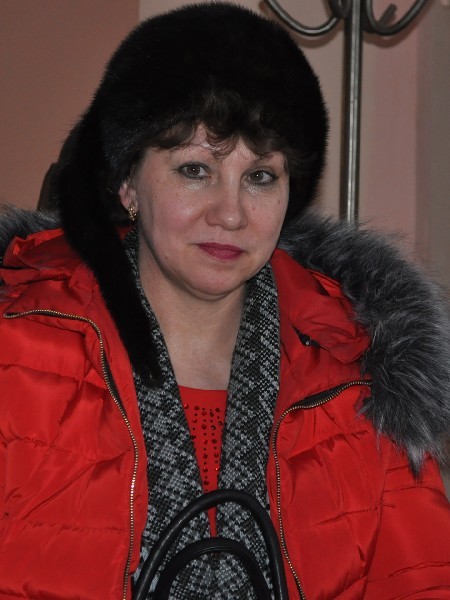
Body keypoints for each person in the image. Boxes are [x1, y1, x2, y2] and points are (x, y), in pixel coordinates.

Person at [0, 3, 449, 599]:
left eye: (260, 177)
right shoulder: (16, 361)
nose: (231, 214)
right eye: (195, 170)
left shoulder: (363, 378)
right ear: (129, 184)